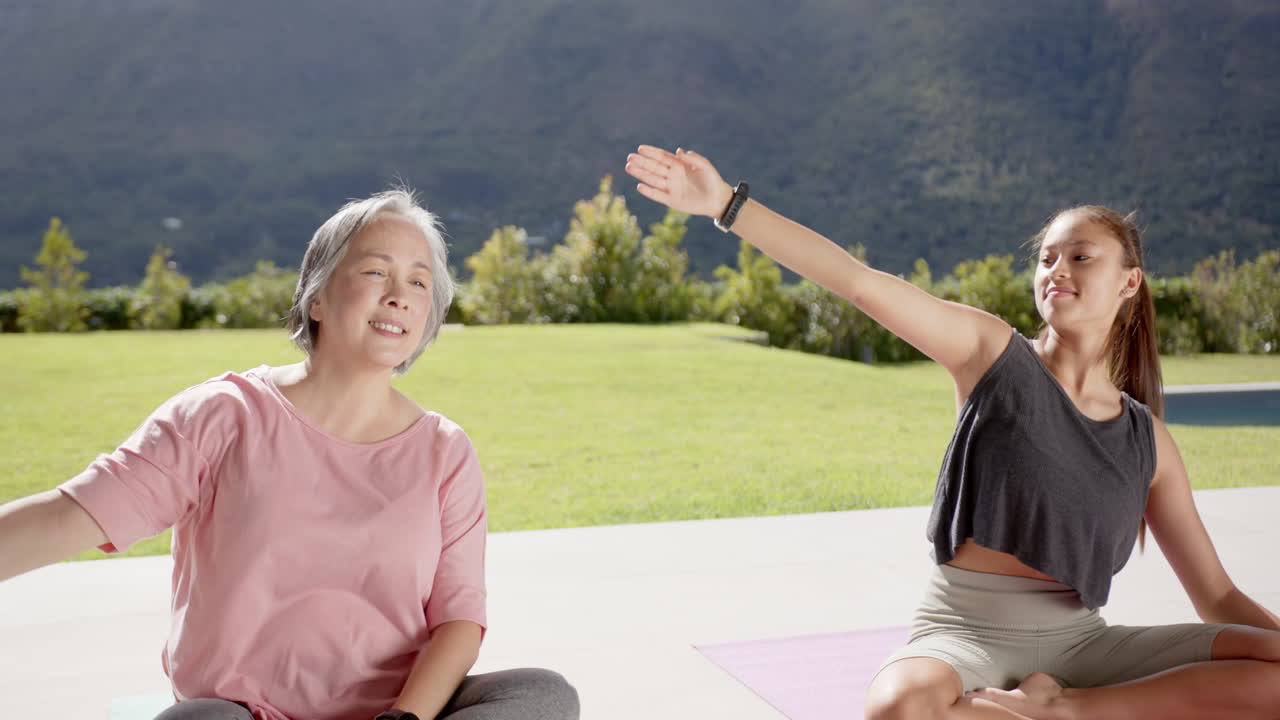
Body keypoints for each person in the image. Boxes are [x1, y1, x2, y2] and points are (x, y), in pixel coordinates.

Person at [624, 145, 1280, 718]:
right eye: (1047, 258)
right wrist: (726, 204)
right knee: (899, 706)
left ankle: (1071, 712)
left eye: (1081, 256)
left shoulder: (1149, 443)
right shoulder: (990, 352)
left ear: (1130, 282)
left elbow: (1216, 595)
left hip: (1084, 649)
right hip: (966, 629)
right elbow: (858, 283)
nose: (1058, 270)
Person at [0, 189, 579, 720]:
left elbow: (458, 619)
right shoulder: (222, 415)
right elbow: (70, 514)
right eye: (376, 271)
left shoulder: (443, 451)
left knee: (541, 696)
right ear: (318, 297)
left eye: (419, 282)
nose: (399, 295)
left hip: (395, 715)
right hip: (243, 712)